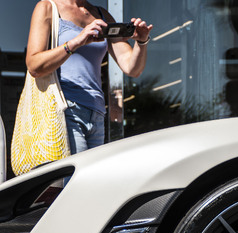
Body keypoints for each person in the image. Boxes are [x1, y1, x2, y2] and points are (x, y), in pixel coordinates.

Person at [25, 0, 152, 154]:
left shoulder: (102, 15)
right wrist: (76, 42)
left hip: (96, 112)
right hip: (65, 109)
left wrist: (142, 41)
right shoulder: (48, 7)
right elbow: (34, 65)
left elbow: (132, 69)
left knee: (92, 177)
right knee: (76, 176)